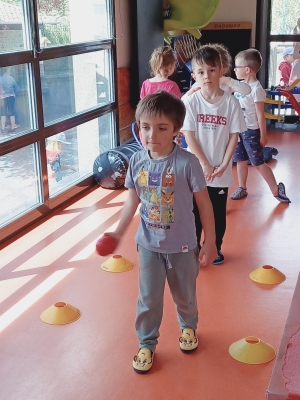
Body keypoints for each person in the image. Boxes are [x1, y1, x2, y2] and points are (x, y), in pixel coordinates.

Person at [101, 91, 216, 374]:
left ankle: (188, 328)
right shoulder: (138, 161)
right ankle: (147, 343)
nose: (151, 134)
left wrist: (210, 241)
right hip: (148, 245)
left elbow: (204, 204)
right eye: (145, 127)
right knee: (148, 298)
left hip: (183, 247)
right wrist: (117, 233)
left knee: (184, 295)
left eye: (162, 128)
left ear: (177, 130)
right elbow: (132, 201)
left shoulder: (187, 163)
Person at [181, 45, 244, 265]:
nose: (206, 76)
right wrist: (204, 164)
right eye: (200, 72)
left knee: (217, 213)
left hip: (220, 171)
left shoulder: (231, 103)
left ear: (222, 70)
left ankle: (215, 248)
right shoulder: (191, 102)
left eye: (211, 70)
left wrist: (225, 164)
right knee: (194, 212)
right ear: (194, 75)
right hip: (196, 169)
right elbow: (189, 136)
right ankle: (195, 248)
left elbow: (234, 136)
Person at [230, 48, 291, 204]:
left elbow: (259, 114)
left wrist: (263, 135)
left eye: (237, 67)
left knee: (257, 162)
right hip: (238, 130)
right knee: (240, 160)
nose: (234, 70)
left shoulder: (256, 89)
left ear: (248, 69)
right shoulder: (239, 85)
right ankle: (242, 187)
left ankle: (276, 190)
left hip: (251, 131)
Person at [0, 66, 19, 134]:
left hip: (2, 98)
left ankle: (3, 129)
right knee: (11, 112)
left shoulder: (0, 78)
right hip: (11, 97)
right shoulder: (11, 78)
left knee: (3, 114)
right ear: (8, 70)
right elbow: (16, 88)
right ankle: (13, 129)